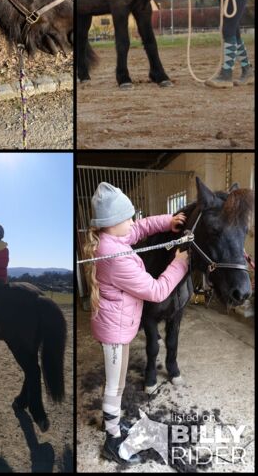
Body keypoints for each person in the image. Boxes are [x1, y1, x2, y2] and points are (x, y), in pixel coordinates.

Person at [83, 182, 189, 465]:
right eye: (127, 217)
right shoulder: (115, 256)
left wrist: (168, 221)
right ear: (112, 222)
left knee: (116, 384)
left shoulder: (114, 237)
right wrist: (179, 263)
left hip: (119, 326)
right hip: (114, 332)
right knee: (113, 386)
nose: (132, 221)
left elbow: (139, 228)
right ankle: (112, 440)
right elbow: (156, 291)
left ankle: (115, 427)